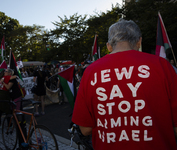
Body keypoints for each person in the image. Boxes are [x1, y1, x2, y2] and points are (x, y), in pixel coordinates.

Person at [72, 19, 177, 150]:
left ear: (109, 46)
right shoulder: (163, 66)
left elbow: (85, 129)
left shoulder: (90, 72)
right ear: (139, 42)